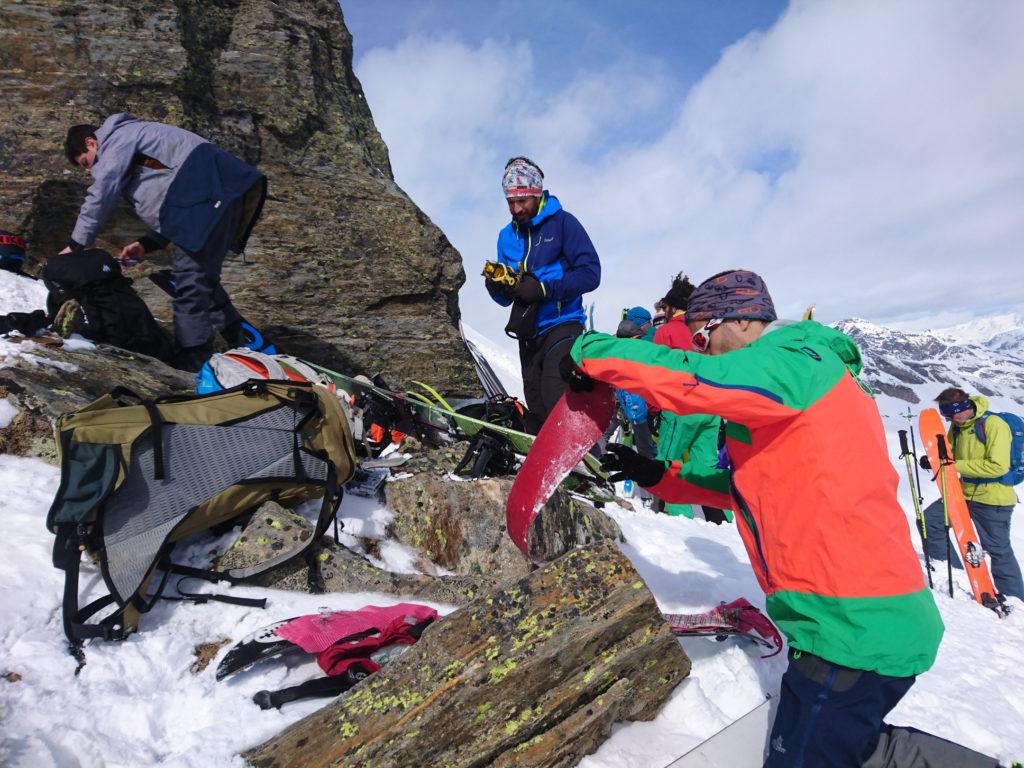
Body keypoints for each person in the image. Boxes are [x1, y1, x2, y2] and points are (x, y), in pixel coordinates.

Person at [561, 269, 957, 767]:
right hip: (848, 621)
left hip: (853, 628)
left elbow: (697, 382)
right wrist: (659, 474)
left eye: (703, 335)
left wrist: (591, 353)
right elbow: (748, 490)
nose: (701, 348)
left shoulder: (796, 361)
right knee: (848, 742)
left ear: (743, 320)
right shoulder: (800, 375)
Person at [62, 114, 267, 371]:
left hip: (206, 199)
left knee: (190, 285)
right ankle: (246, 344)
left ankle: (193, 363)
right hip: (219, 197)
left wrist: (75, 245)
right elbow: (175, 196)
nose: (91, 171)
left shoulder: (117, 138)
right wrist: (147, 244)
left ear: (92, 142)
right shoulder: (141, 138)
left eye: (86, 162)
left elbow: (102, 191)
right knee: (203, 282)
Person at [485, 156, 600, 433]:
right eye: (511, 201)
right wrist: (497, 288)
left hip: (563, 324)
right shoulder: (506, 236)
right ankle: (550, 470)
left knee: (554, 394)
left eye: (522, 200)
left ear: (537, 193)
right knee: (535, 405)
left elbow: (591, 273)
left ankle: (585, 462)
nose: (516, 208)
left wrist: (544, 289)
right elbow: (506, 298)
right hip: (528, 333)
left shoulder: (563, 224)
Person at [921, 388, 1023, 601]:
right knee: (930, 522)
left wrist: (954, 464)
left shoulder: (994, 425)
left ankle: (1015, 600)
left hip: (992, 498)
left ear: (964, 408)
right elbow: (947, 453)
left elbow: (998, 466)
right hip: (963, 493)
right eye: (946, 416)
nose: (950, 419)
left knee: (998, 550)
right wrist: (931, 459)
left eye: (951, 415)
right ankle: (951, 574)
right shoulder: (958, 427)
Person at [651, 272, 727, 522]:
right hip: (711, 408)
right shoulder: (709, 330)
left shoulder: (666, 332)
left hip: (680, 408)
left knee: (669, 465)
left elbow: (656, 373)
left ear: (672, 307)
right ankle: (723, 522)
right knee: (707, 467)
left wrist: (653, 409)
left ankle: (678, 522)